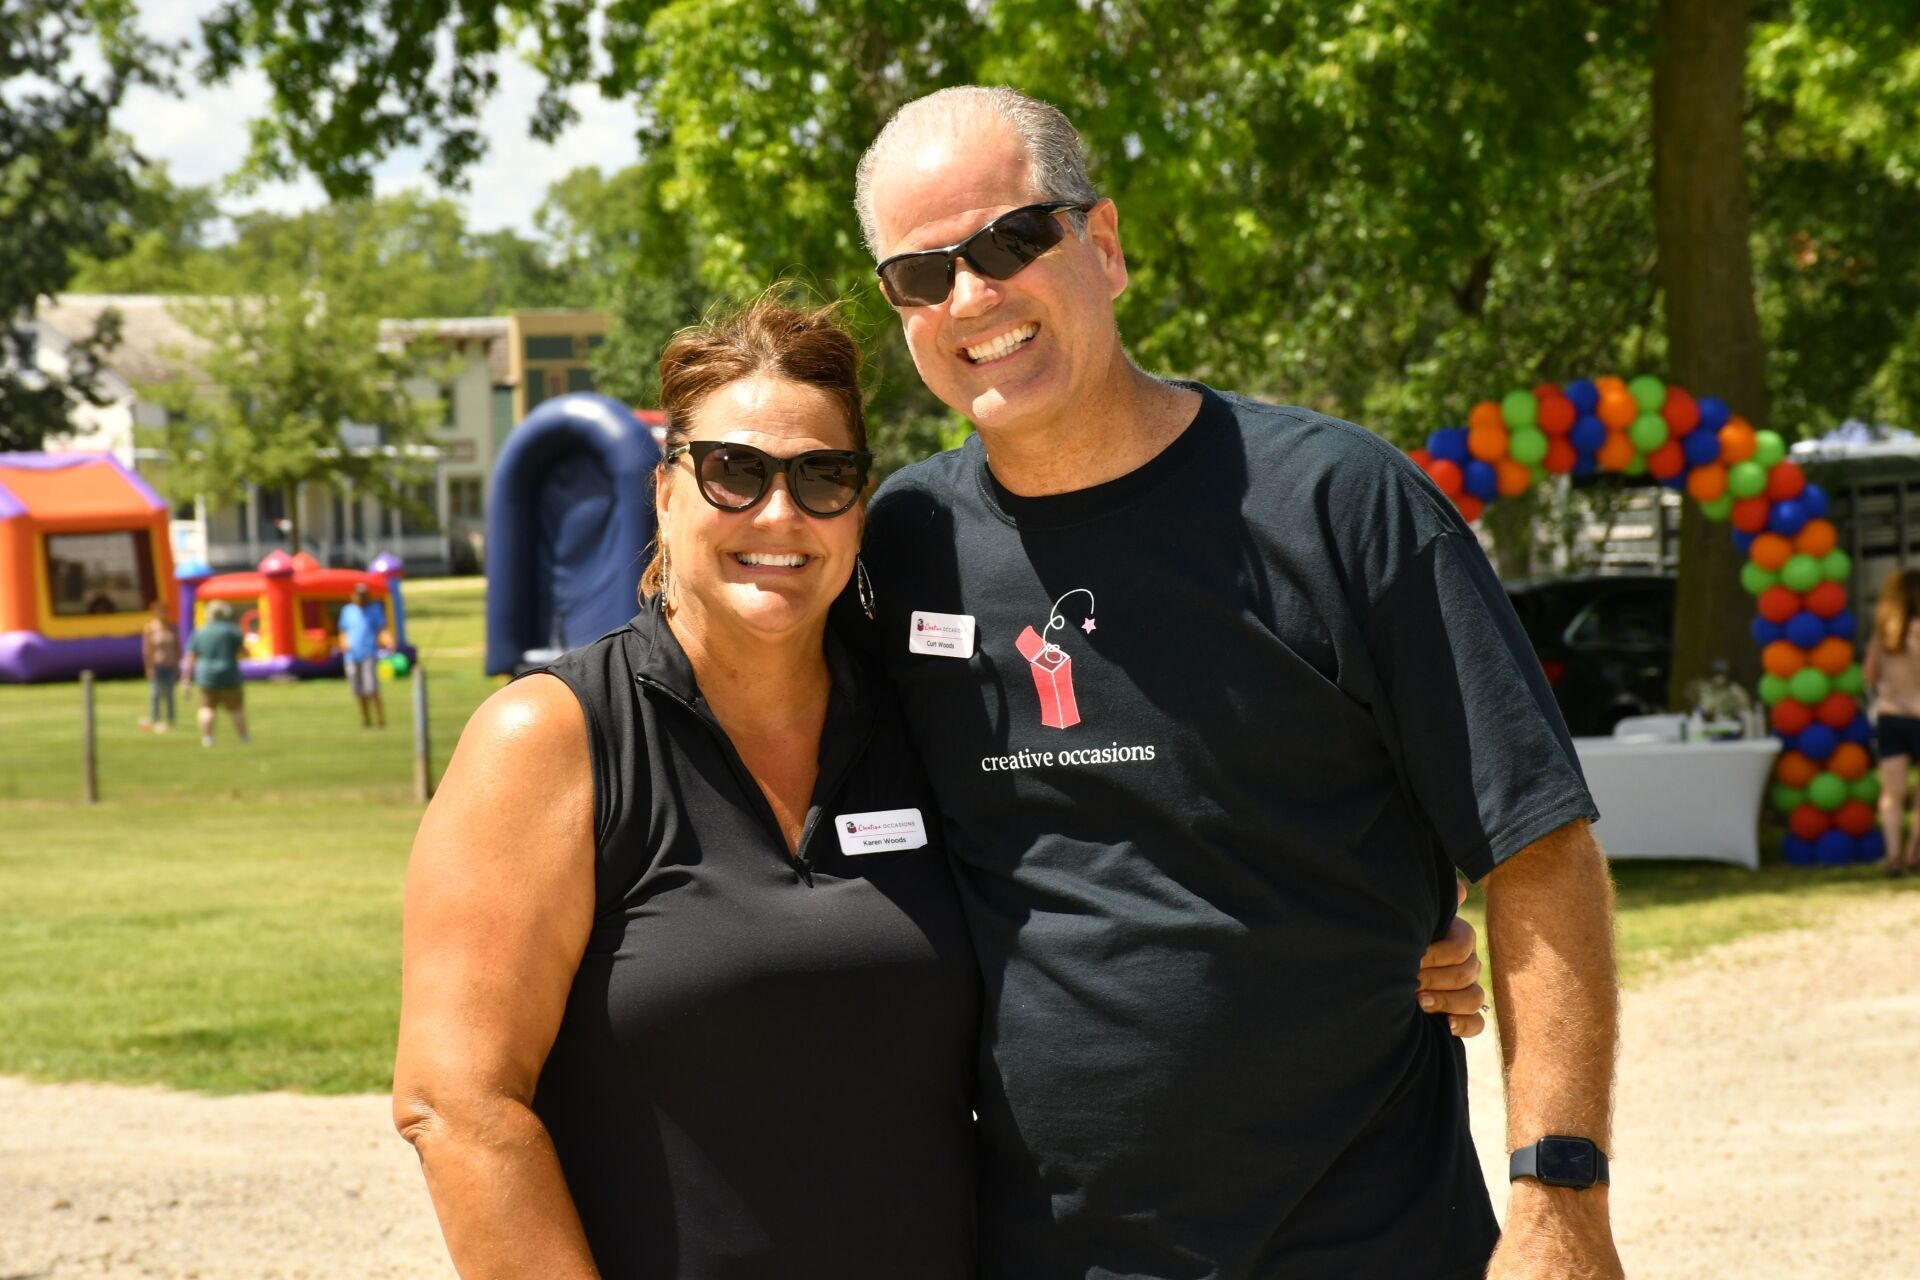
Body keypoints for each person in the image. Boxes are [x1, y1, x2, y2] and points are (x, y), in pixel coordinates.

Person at [392, 296, 1490, 1277]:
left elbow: (1116, 852)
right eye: (735, 470)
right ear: (667, 487)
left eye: (824, 477)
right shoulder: (553, 737)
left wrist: (1383, 935)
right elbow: (458, 1104)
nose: (781, 514)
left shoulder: (916, 712)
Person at [849, 86, 1622, 1279]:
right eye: (921, 273)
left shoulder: (1337, 503)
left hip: (1364, 1242)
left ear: (1102, 245)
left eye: (1010, 242)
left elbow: (1539, 844)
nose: (972, 296)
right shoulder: (899, 547)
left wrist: (1560, 1202)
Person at [1864, 568, 1920, 874]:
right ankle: (1915, 850)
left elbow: (1869, 675)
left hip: (1890, 716)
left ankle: (1893, 855)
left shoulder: (1885, 631)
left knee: (1891, 794)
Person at [183, 600, 249, 748]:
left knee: (207, 708)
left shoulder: (199, 631)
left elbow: (190, 657)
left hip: (206, 677)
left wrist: (186, 679)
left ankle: (207, 739)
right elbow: (244, 652)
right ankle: (244, 737)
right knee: (236, 708)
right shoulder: (232, 630)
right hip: (229, 675)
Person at [337, 583, 387, 728]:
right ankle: (366, 719)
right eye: (359, 594)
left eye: (364, 594)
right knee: (358, 690)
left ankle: (380, 719)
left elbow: (381, 629)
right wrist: (344, 643)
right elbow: (343, 631)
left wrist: (387, 641)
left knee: (372, 688)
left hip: (368, 653)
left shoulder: (374, 609)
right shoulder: (347, 610)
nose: (361, 597)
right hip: (351, 656)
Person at [140, 600, 180, 734]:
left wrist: (178, 665)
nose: (162, 613)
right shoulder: (150, 628)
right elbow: (147, 650)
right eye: (159, 611)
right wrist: (149, 667)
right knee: (155, 693)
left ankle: (170, 718)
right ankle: (155, 718)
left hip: (170, 665)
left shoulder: (172, 628)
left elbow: (177, 647)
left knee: (169, 694)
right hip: (156, 665)